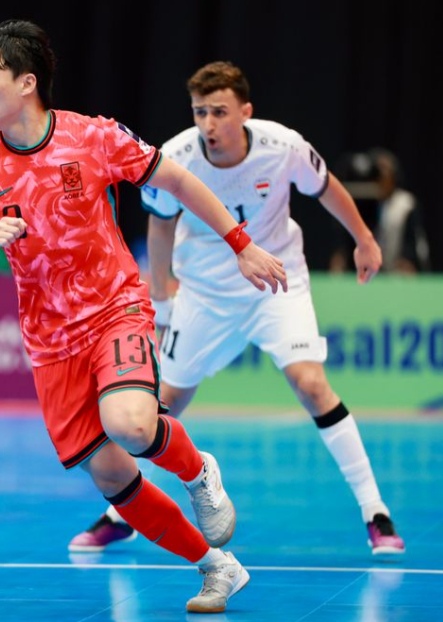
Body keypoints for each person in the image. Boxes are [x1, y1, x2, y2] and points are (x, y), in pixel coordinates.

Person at [0, 21, 289, 614]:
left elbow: (179, 181)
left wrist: (241, 244)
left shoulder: (92, 136)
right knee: (111, 478)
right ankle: (216, 568)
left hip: (114, 308)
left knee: (130, 424)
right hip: (49, 338)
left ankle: (199, 473)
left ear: (26, 83)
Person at [68, 61, 406, 557]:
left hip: (276, 282)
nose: (208, 123)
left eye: (219, 112)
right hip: (204, 294)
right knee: (157, 405)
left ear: (245, 112)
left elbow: (327, 186)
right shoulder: (176, 156)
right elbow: (160, 226)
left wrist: (364, 239)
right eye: (200, 112)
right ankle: (122, 515)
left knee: (311, 384)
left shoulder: (282, 146)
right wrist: (160, 297)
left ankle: (375, 512)